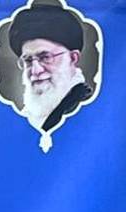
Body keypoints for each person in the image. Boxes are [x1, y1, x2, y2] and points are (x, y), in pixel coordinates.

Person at [9, 3, 92, 132]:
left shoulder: (87, 109)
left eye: (45, 57)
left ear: (73, 58)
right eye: (28, 60)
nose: (36, 70)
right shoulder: (28, 114)